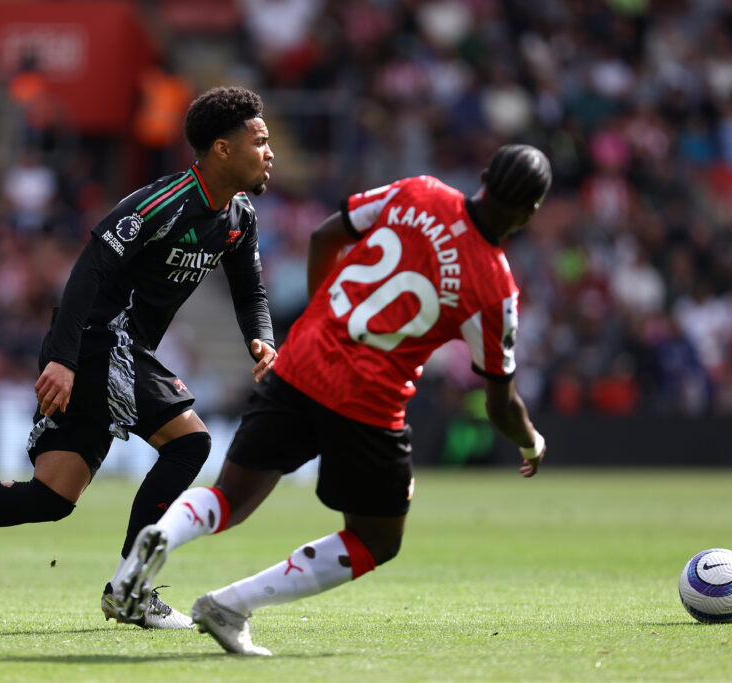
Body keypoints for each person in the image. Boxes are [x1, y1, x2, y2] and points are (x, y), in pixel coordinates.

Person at [0, 86, 279, 629]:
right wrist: (63, 357)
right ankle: (131, 587)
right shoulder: (161, 204)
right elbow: (89, 271)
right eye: (260, 141)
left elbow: (250, 294)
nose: (270, 152)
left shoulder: (239, 216)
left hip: (119, 351)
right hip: (99, 341)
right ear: (222, 149)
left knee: (51, 496)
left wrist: (262, 338)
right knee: (192, 442)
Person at [110, 144, 553, 655]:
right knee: (377, 539)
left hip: (301, 363)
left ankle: (164, 532)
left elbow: (326, 233)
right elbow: (501, 403)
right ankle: (232, 604)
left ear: (483, 178)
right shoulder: (495, 289)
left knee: (231, 497)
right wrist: (530, 441)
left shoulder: (420, 191)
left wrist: (321, 316)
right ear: (529, 214)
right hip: (368, 402)